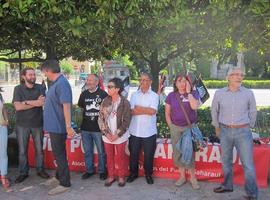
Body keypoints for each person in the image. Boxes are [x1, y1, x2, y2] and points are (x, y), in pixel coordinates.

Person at [211, 68, 258, 200]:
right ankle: (227, 185)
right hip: (225, 131)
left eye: (241, 75)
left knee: (248, 164)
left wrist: (249, 126)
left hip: (243, 132)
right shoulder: (219, 93)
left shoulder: (248, 93)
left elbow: (253, 111)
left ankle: (252, 193)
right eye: (236, 74)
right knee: (226, 161)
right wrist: (217, 127)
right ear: (228, 78)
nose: (239, 77)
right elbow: (214, 110)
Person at [41, 60, 74, 195]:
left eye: (44, 72)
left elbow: (66, 106)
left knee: (60, 155)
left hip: (58, 127)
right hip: (53, 126)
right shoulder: (56, 83)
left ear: (49, 70)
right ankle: (58, 177)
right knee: (58, 154)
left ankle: (65, 183)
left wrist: (68, 126)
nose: (44, 75)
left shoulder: (62, 83)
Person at [12, 67, 49, 183]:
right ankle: (23, 172)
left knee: (39, 150)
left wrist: (26, 102)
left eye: (34, 74)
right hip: (22, 125)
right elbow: (17, 107)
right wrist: (35, 103)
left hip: (37, 123)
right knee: (22, 151)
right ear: (24, 76)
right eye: (30, 75)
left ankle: (40, 170)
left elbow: (42, 103)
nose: (33, 76)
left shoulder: (41, 87)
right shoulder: (17, 89)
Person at [164, 73, 200, 190]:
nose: (182, 83)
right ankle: (182, 176)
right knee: (178, 153)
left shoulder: (194, 93)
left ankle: (193, 178)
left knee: (188, 153)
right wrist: (171, 126)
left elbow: (194, 107)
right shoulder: (171, 96)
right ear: (175, 83)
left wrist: (189, 93)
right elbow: (167, 113)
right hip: (176, 128)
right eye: (179, 81)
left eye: (185, 81)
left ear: (188, 82)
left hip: (188, 128)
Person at [127, 73, 159, 185]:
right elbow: (131, 111)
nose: (143, 82)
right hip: (134, 131)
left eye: (145, 80)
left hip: (149, 132)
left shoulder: (154, 96)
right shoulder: (134, 95)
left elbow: (152, 111)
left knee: (149, 155)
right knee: (133, 154)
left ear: (150, 82)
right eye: (141, 80)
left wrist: (138, 108)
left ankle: (148, 174)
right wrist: (145, 110)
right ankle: (133, 174)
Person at [98, 78, 131, 187]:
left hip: (120, 136)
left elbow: (126, 121)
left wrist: (117, 134)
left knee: (120, 157)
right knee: (109, 157)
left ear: (117, 89)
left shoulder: (125, 102)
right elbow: (101, 118)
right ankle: (111, 176)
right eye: (108, 86)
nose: (108, 88)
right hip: (107, 135)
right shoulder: (105, 101)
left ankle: (121, 176)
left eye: (110, 87)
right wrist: (107, 133)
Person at [78, 74, 108, 180]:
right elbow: (81, 109)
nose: (88, 82)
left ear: (96, 82)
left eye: (91, 80)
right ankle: (89, 170)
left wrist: (105, 127)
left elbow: (107, 112)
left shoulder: (103, 94)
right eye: (87, 80)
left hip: (98, 129)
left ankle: (102, 171)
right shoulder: (83, 94)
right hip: (85, 128)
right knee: (88, 151)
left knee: (101, 152)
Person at [0, 88, 11, 191]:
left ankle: (3, 176)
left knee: (3, 153)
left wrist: (6, 120)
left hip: (1, 127)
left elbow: (3, 109)